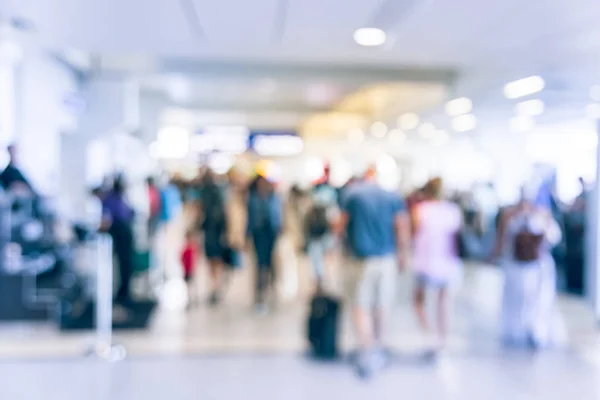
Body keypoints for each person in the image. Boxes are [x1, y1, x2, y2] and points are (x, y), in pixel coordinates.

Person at [338, 167, 410, 378]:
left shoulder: (351, 195)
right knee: (381, 305)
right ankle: (378, 346)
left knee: (360, 306)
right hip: (386, 258)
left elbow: (340, 226)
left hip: (360, 259)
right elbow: (402, 227)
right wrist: (403, 254)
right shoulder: (392, 196)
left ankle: (366, 349)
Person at [493, 187, 566, 349]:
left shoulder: (541, 217)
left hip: (536, 268)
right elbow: (503, 241)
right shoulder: (511, 217)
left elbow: (553, 237)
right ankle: (520, 331)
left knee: (538, 300)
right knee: (519, 300)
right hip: (517, 266)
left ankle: (535, 330)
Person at [411, 178, 462, 353]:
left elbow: (414, 233)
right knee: (444, 302)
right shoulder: (453, 211)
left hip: (425, 261)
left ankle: (430, 333)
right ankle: (443, 338)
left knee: (419, 302)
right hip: (448, 262)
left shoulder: (421, 210)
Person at [247, 174, 283, 314]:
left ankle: (271, 289)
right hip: (259, 235)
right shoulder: (253, 199)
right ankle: (260, 295)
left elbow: (278, 216)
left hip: (271, 235)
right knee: (260, 265)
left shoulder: (274, 198)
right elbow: (250, 219)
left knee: (271, 265)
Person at [101, 176, 135, 305]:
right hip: (124, 232)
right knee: (125, 263)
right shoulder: (118, 198)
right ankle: (123, 291)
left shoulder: (113, 199)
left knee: (124, 263)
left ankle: (124, 292)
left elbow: (106, 220)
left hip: (122, 233)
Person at [198, 171, 228, 306]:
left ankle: (215, 286)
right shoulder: (212, 193)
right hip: (214, 232)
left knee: (214, 261)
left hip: (214, 233)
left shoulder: (209, 194)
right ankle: (215, 286)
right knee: (214, 261)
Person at [181, 230, 199, 309]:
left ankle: (193, 297)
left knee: (192, 284)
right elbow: (181, 258)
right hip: (186, 270)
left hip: (191, 270)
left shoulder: (193, 248)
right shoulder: (186, 249)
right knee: (188, 285)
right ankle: (189, 298)